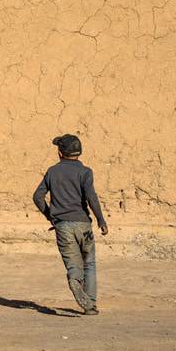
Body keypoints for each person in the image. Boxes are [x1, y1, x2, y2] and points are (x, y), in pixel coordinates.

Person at [33, 134, 109, 315]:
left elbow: (37, 196)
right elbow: (92, 197)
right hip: (84, 225)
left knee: (74, 264)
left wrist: (49, 215)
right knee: (89, 262)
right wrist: (101, 220)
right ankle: (90, 303)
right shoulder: (85, 172)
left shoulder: (52, 172)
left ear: (60, 153)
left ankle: (75, 280)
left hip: (63, 226)